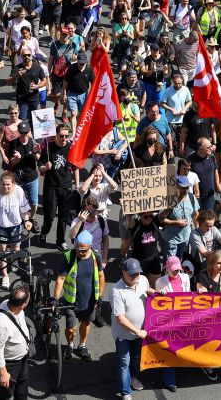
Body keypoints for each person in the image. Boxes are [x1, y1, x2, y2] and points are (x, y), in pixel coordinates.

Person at [53, 230, 105, 362]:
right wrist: (55, 299)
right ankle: (70, 346)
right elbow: (61, 279)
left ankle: (82, 345)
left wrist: (100, 296)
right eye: (78, 248)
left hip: (89, 302)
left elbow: (101, 276)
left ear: (90, 247)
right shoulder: (69, 256)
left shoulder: (95, 257)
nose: (80, 252)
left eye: (83, 250)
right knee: (71, 329)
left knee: (86, 324)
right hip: (71, 302)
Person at [111, 258, 153, 397]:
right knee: (124, 363)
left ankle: (133, 378)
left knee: (136, 358)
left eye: (138, 273)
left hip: (141, 332)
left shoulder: (143, 280)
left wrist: (153, 293)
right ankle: (125, 392)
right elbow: (120, 318)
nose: (136, 276)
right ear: (123, 272)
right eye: (132, 273)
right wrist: (137, 331)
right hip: (123, 335)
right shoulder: (116, 291)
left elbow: (149, 294)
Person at [38, 124, 78, 250]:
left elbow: (76, 167)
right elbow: (40, 167)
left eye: (66, 136)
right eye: (61, 136)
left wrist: (77, 185)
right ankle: (44, 231)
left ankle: (60, 241)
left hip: (65, 186)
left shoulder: (70, 148)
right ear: (56, 135)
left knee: (64, 216)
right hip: (51, 187)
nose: (64, 138)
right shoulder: (48, 148)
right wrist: (46, 167)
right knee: (49, 216)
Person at [0, 284, 29, 400]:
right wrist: (3, 373)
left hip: (23, 358)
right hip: (10, 364)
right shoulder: (1, 324)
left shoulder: (12, 304)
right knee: (5, 395)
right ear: (23, 305)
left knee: (22, 390)